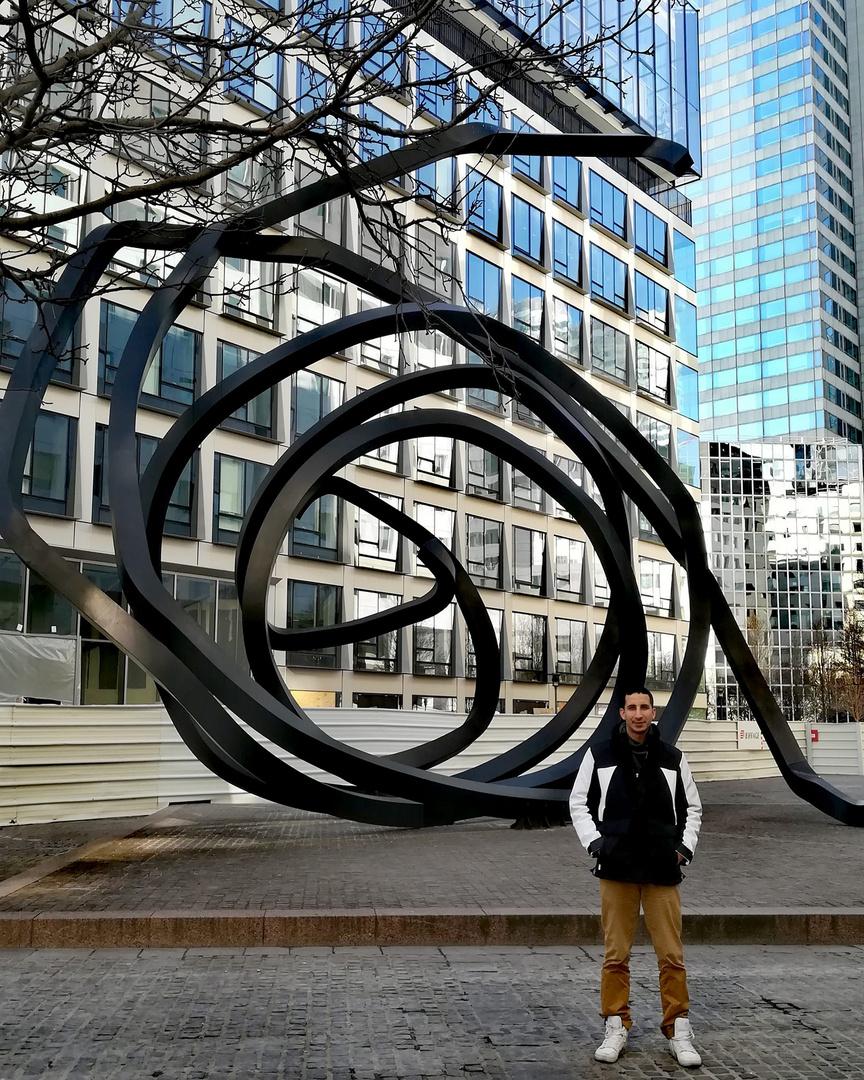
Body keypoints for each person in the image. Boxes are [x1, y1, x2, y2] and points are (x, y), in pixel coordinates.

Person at [569, 687, 703, 1067]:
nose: (639, 714)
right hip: (617, 868)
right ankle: (616, 1024)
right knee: (616, 954)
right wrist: (596, 843)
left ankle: (678, 1028)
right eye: (632, 708)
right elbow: (578, 801)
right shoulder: (600, 755)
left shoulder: (673, 757)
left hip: (662, 869)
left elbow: (693, 808)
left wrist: (683, 849)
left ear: (653, 711)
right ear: (622, 713)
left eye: (645, 707)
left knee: (671, 955)